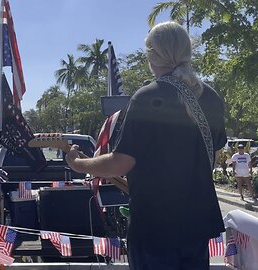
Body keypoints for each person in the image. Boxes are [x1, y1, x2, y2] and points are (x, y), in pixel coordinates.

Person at [65, 22, 226, 269]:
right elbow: (212, 157)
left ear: (152, 55)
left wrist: (78, 163)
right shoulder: (210, 97)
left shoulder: (148, 96)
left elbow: (120, 163)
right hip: (197, 224)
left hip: (155, 228)